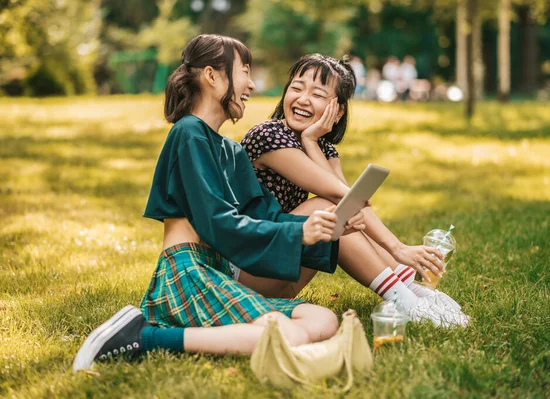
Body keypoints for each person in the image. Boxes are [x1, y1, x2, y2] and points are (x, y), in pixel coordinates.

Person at [72, 35, 367, 372]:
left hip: (218, 274)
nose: (252, 84)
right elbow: (217, 223)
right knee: (291, 335)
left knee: (324, 320)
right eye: (244, 72)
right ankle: (142, 336)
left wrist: (325, 226)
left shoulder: (232, 150)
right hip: (188, 274)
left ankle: (221, 336)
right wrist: (301, 232)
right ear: (212, 76)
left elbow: (266, 216)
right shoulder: (188, 134)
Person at [240, 54, 469, 326]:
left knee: (344, 215)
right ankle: (405, 301)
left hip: (279, 275)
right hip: (244, 272)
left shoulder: (321, 146)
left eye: (317, 94)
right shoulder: (268, 136)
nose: (302, 99)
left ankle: (410, 289)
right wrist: (397, 248)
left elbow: (351, 203)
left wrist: (312, 142)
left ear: (337, 111)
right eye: (296, 87)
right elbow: (339, 196)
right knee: (329, 211)